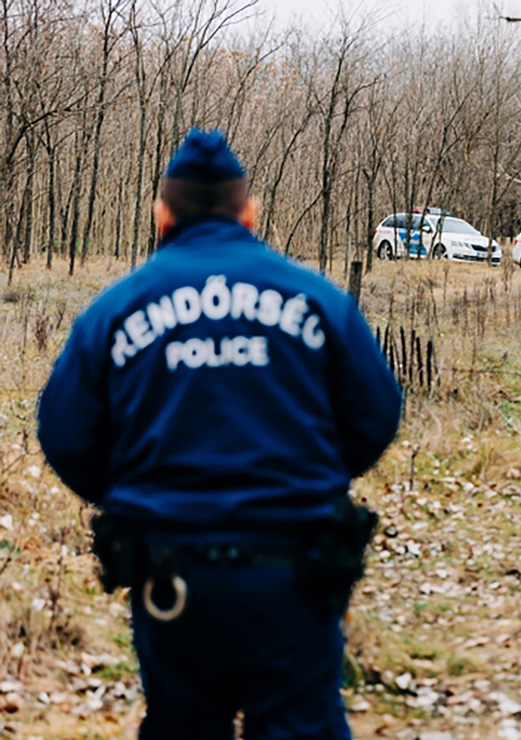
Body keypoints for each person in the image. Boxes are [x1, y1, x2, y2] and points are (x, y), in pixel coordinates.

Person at [38, 128, 403, 740]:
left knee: (183, 726)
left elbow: (64, 434)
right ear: (249, 211)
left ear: (162, 213)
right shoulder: (318, 302)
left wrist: (135, 491)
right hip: (294, 574)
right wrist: (310, 479)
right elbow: (376, 416)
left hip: (170, 582)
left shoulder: (114, 312)